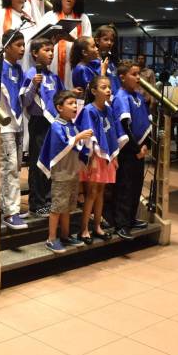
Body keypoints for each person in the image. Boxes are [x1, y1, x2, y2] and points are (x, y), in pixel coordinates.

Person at [0, 29, 28, 230]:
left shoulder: (19, 70)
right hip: (4, 125)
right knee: (8, 168)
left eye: (23, 45)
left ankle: (9, 205)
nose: (23, 49)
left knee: (15, 167)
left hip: (18, 124)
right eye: (18, 45)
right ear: (7, 46)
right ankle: (10, 212)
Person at [76, 75, 126, 244]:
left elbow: (112, 133)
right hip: (94, 156)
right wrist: (91, 155)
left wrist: (114, 155)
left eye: (109, 87)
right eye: (103, 87)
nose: (108, 90)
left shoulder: (109, 109)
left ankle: (97, 226)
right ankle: (84, 229)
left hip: (106, 157)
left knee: (101, 192)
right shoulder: (89, 110)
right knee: (91, 193)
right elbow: (88, 135)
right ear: (93, 91)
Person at [40, 90, 91, 253]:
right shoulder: (56, 125)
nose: (75, 106)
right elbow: (62, 144)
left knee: (68, 206)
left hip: (72, 171)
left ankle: (65, 235)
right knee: (58, 207)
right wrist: (79, 137)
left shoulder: (72, 125)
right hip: (61, 174)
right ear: (59, 108)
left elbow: (77, 147)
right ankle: (51, 238)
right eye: (70, 103)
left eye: (75, 103)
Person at [111, 61, 151, 240]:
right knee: (125, 187)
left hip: (139, 150)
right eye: (134, 74)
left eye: (138, 74)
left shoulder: (138, 96)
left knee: (136, 185)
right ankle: (121, 223)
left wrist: (145, 145)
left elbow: (145, 122)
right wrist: (136, 148)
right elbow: (124, 126)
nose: (138, 78)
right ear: (122, 77)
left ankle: (131, 218)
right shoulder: (121, 97)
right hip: (128, 150)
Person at [21, 38, 60, 217]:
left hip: (52, 124)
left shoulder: (53, 76)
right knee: (38, 163)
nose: (51, 54)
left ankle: (47, 200)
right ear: (35, 53)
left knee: (49, 163)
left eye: (52, 50)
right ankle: (37, 204)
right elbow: (25, 101)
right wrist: (33, 85)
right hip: (38, 123)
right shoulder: (30, 74)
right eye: (46, 50)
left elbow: (60, 97)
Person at [37, 0, 92, 89]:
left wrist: (72, 40)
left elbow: (89, 45)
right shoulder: (49, 17)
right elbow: (38, 41)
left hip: (74, 64)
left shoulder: (83, 18)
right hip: (53, 62)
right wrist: (53, 41)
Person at [93, 25, 120, 96]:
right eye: (106, 39)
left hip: (115, 99)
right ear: (97, 41)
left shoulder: (112, 61)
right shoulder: (93, 62)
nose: (109, 43)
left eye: (112, 40)